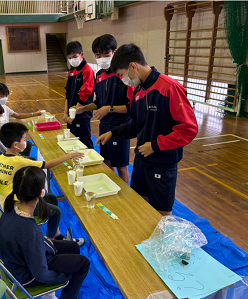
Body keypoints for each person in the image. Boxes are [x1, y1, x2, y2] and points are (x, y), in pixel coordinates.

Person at [96, 44, 198, 216]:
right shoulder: (138, 91)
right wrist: (114, 132)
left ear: (133, 67)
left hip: (162, 162)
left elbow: (188, 128)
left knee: (161, 214)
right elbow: (136, 126)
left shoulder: (169, 88)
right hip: (142, 160)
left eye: (121, 75)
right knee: (140, 205)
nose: (122, 80)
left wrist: (156, 145)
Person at [0, 166, 90, 299]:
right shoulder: (30, 230)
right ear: (42, 193)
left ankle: (49, 295)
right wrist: (65, 276)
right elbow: (40, 274)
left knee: (73, 247)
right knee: (83, 264)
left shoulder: (12, 206)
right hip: (25, 275)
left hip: (17, 260)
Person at [0, 122, 85, 245]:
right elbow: (46, 165)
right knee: (56, 212)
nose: (26, 142)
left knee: (53, 198)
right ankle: (51, 243)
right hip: (14, 205)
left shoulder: (3, 157)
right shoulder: (18, 161)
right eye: (24, 139)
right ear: (16, 145)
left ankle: (57, 236)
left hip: (8, 197)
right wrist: (70, 155)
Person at [76, 34, 133, 183]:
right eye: (98, 55)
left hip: (120, 127)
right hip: (104, 126)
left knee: (121, 167)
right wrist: (83, 108)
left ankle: (125, 196)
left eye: (106, 53)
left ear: (114, 51)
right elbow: (100, 102)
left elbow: (131, 107)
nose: (102, 58)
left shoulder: (124, 75)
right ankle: (111, 189)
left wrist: (110, 109)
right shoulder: (99, 75)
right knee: (107, 163)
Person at [0, 82, 41, 157]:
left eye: (6, 95)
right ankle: (21, 161)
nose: (5, 97)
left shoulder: (4, 107)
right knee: (25, 145)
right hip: (4, 142)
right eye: (1, 95)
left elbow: (17, 115)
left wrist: (34, 114)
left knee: (28, 144)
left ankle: (23, 161)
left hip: (7, 138)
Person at [63, 41, 94, 149]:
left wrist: (73, 115)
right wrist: (65, 113)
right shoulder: (72, 70)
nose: (72, 60)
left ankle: (92, 163)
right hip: (71, 115)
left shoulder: (87, 71)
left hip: (82, 115)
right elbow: (67, 93)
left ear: (81, 54)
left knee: (85, 143)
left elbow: (85, 95)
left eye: (75, 56)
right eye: (70, 58)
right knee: (73, 142)